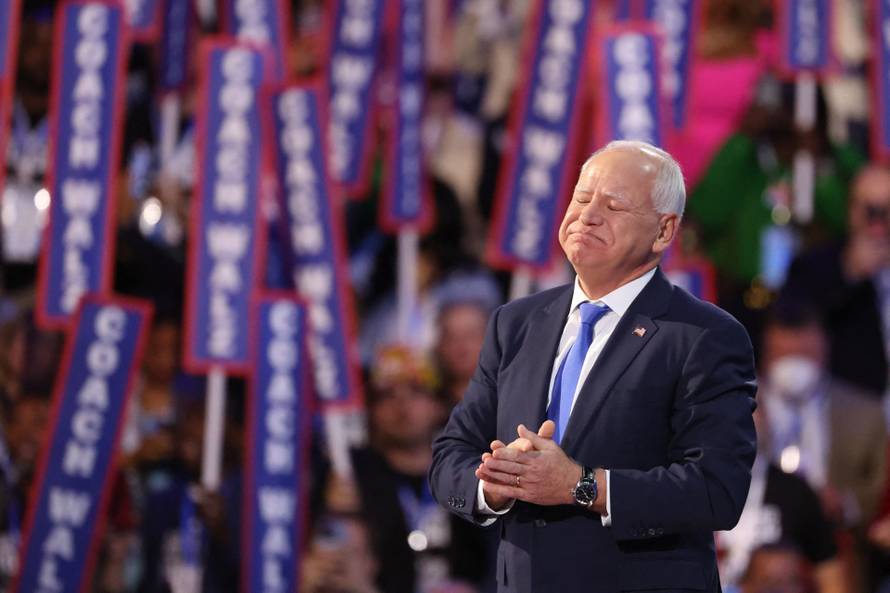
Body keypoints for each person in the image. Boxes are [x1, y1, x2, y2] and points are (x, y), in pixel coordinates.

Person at [429, 140, 757, 593]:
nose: (587, 215)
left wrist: (580, 485)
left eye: (614, 205)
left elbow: (716, 491)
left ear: (664, 231)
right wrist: (495, 486)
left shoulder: (704, 336)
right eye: (582, 198)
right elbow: (450, 456)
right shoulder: (516, 323)